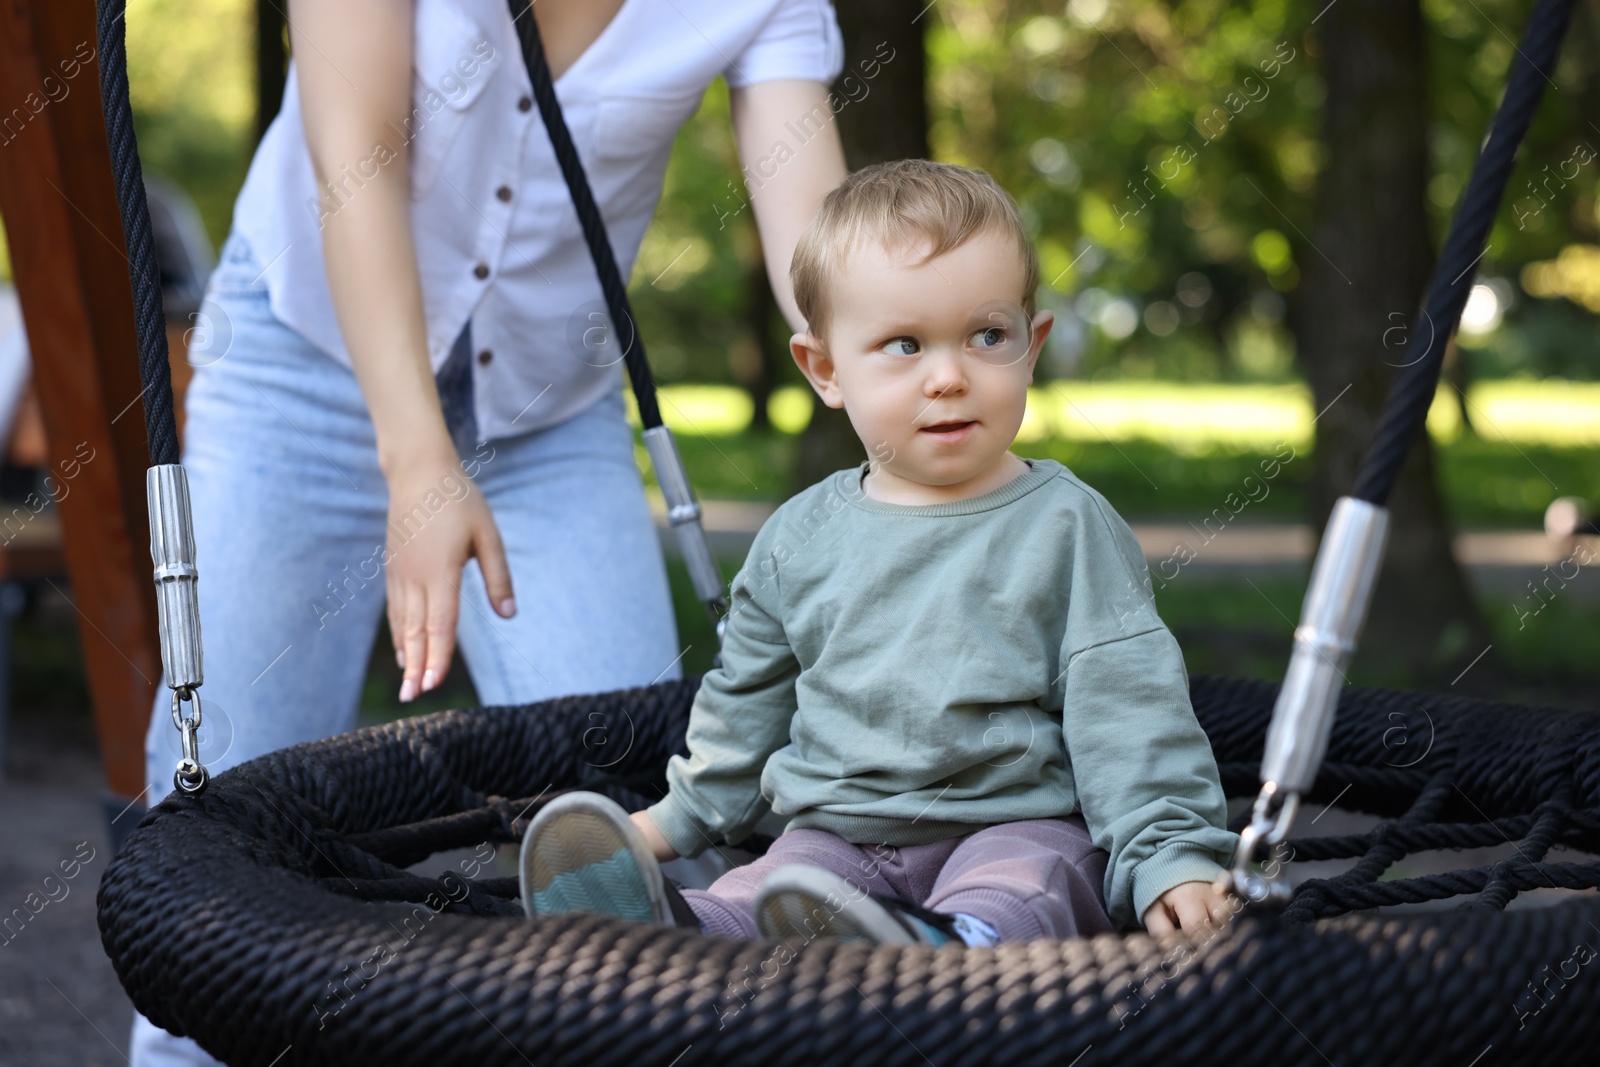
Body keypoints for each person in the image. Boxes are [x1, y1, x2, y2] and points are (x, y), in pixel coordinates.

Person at [132, 0, 848, 1063]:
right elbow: (354, 155)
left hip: (549, 410)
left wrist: (910, 392)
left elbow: (825, 255)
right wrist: (416, 458)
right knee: (213, 828)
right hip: (305, 357)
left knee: (636, 828)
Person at [518, 159, 1242, 947]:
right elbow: (746, 702)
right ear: (825, 370)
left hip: (1015, 819)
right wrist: (677, 819)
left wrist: (1170, 853)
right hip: (837, 836)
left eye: (986, 336)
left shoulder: (1066, 525)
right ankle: (679, 931)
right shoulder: (799, 538)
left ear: (1031, 347)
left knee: (1032, 880)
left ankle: (955, 942)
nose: (947, 376)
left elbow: (1130, 707)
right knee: (768, 885)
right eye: (904, 344)